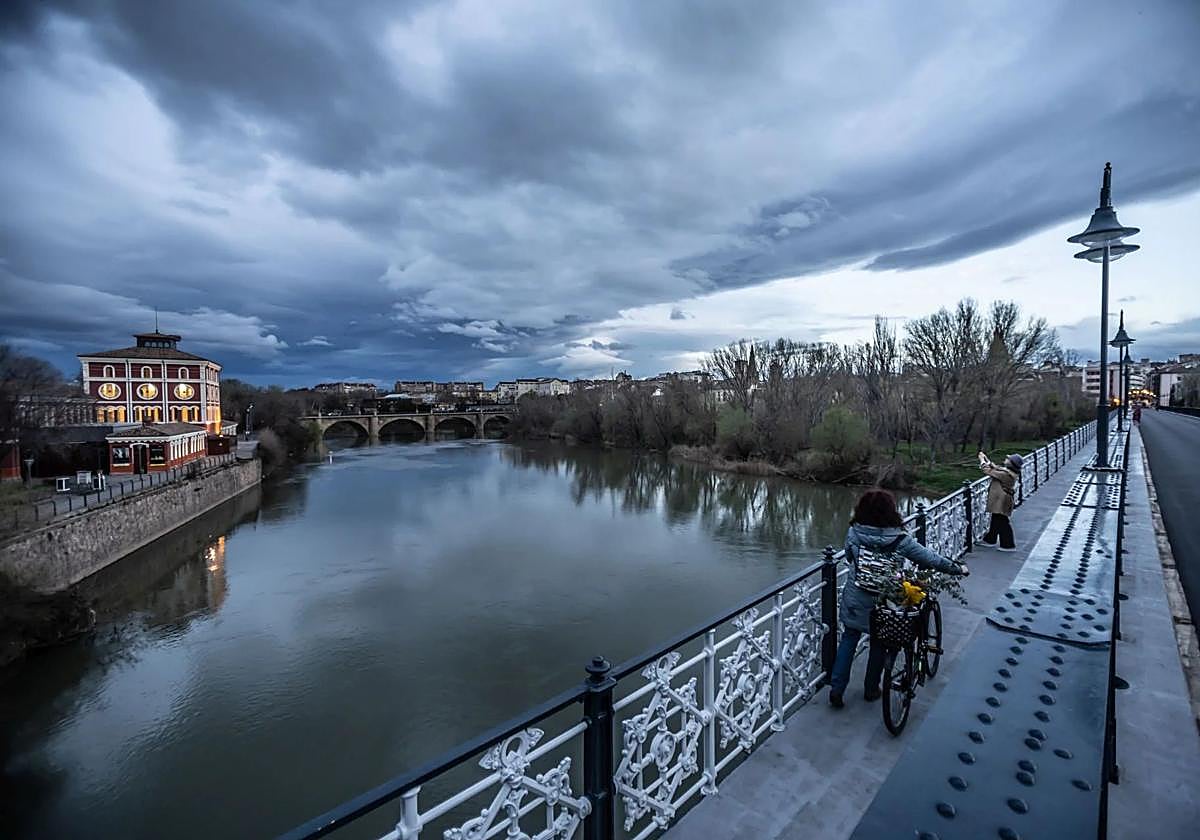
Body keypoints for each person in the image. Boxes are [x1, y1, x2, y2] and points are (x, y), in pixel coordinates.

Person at [829, 489, 967, 709]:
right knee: (879, 642)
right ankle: (871, 689)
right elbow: (929, 558)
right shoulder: (900, 539)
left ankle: (836, 689)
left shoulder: (854, 533)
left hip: (856, 596)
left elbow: (848, 556)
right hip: (886, 601)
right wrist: (956, 569)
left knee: (849, 638)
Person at [978, 452, 1021, 551]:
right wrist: (987, 460)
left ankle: (1008, 545)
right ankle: (990, 540)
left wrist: (982, 461)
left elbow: (989, 471)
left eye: (1008, 459)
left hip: (1002, 501)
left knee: (1002, 522)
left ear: (1011, 464)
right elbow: (997, 468)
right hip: (1001, 500)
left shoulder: (1007, 475)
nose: (1005, 459)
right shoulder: (1008, 472)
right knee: (997, 519)